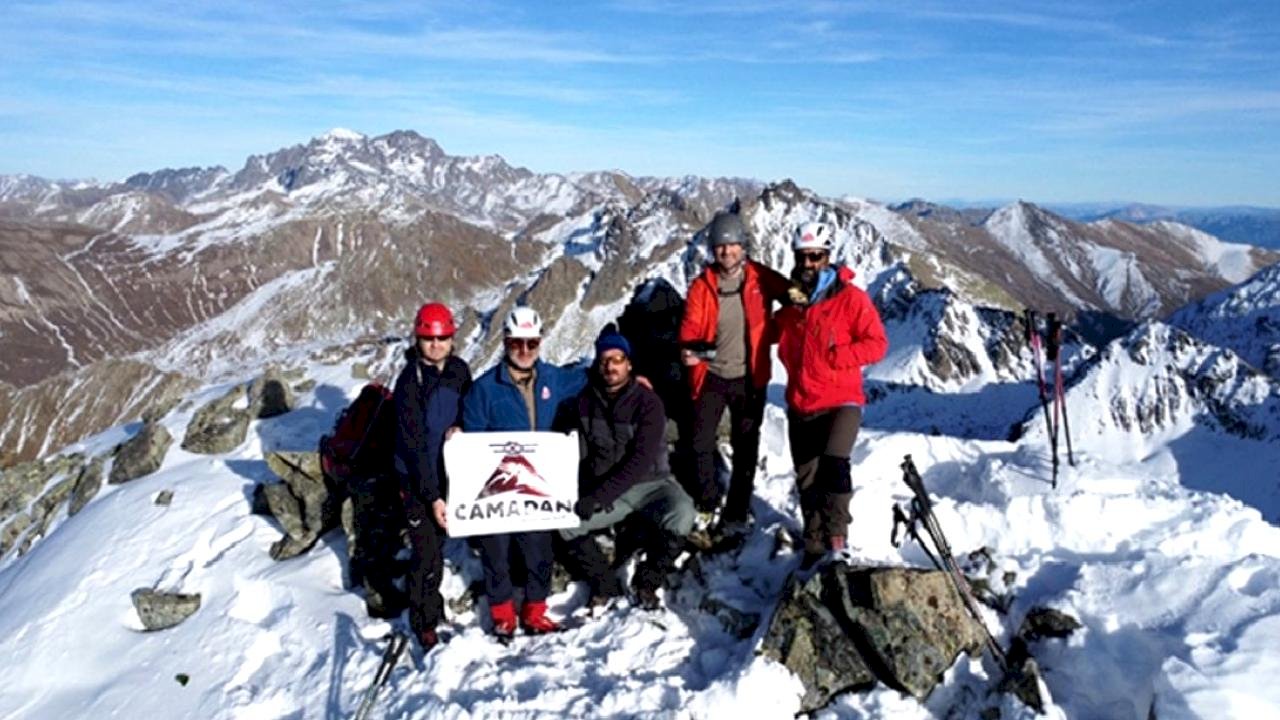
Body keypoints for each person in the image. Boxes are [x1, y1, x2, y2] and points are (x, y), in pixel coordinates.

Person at [461, 306, 588, 639]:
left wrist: (632, 375)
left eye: (531, 343)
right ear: (505, 342)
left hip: (538, 482)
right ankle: (502, 614)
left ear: (540, 342)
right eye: (518, 343)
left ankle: (535, 611)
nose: (525, 350)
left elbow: (592, 376)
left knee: (539, 549)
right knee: (496, 550)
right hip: (497, 485)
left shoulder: (553, 378)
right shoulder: (484, 388)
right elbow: (471, 441)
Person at [774, 221, 888, 569]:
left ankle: (838, 541)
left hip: (841, 401)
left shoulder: (850, 298)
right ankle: (813, 545)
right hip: (801, 403)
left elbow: (877, 344)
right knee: (807, 477)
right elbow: (770, 333)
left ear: (827, 257)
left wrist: (839, 356)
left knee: (834, 466)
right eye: (803, 257)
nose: (809, 263)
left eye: (816, 256)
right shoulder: (793, 302)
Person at [555, 331, 697, 610]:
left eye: (618, 359)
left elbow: (640, 460)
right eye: (605, 360)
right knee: (565, 523)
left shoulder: (648, 403)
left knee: (683, 513)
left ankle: (648, 580)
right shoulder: (584, 402)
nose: (611, 366)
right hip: (608, 488)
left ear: (629, 364)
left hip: (653, 484)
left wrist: (598, 497)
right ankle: (604, 584)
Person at [678, 211, 791, 541]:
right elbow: (690, 330)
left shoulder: (760, 277)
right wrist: (695, 351)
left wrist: (776, 328)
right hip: (712, 376)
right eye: (720, 247)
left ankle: (737, 510)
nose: (726, 252)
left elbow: (791, 297)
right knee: (700, 442)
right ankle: (709, 500)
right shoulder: (702, 286)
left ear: (743, 247)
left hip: (749, 377)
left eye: (732, 245)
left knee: (746, 446)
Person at [392, 302, 471, 650]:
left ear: (452, 339)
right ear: (418, 339)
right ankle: (422, 620)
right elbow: (414, 444)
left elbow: (471, 409)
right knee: (427, 554)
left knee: (435, 547)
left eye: (442, 338)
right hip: (416, 480)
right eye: (428, 338)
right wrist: (434, 497)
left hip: (447, 473)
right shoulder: (410, 381)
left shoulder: (459, 371)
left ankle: (432, 606)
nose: (435, 345)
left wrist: (462, 426)